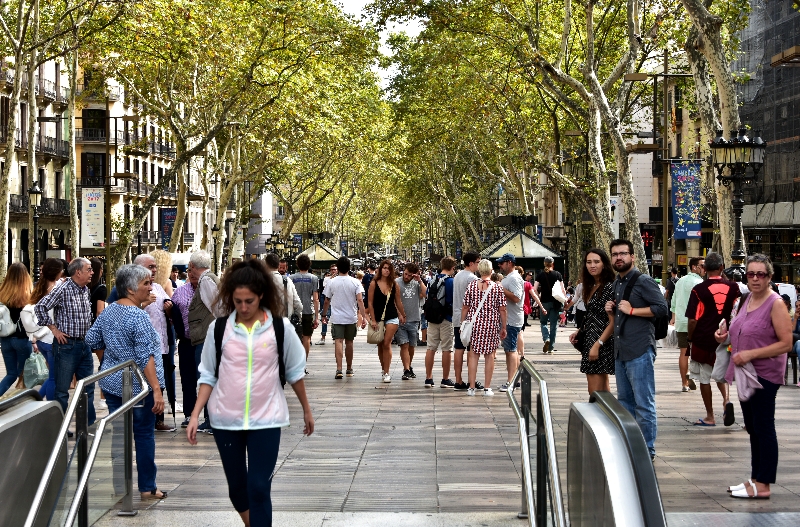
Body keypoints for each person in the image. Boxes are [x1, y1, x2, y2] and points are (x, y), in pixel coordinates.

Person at [187, 260, 313, 526]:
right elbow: (208, 374)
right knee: (237, 489)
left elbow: (294, 373)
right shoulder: (219, 329)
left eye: (250, 301)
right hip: (225, 419)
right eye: (238, 301)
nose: (243, 307)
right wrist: (196, 413)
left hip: (267, 418)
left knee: (258, 487)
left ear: (262, 297)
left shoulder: (280, 328)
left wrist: (306, 409)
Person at [85, 264, 168, 500]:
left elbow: (92, 339)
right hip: (140, 387)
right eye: (146, 283)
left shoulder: (109, 311)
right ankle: (147, 487)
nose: (150, 287)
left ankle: (120, 489)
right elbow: (145, 357)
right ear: (131, 289)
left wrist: (109, 358)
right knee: (143, 436)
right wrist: (156, 390)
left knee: (120, 435)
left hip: (113, 383)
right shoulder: (139, 317)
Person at [717, 254, 792, 499]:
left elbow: (786, 343)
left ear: (770, 277)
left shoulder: (776, 303)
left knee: (763, 427)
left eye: (761, 274)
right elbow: (738, 329)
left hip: (765, 375)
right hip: (746, 374)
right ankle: (755, 478)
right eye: (751, 274)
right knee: (753, 427)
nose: (756, 278)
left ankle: (764, 484)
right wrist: (724, 335)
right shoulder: (745, 299)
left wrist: (751, 354)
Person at [605, 239, 668, 460]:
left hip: (640, 350)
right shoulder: (617, 283)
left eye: (623, 254)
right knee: (625, 403)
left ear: (633, 256)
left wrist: (633, 310)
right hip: (621, 350)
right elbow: (619, 318)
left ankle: (647, 450)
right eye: (614, 254)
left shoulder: (644, 281)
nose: (618, 258)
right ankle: (631, 446)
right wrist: (612, 311)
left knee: (644, 403)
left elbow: (662, 309)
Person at [35, 257, 97, 425]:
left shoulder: (85, 289)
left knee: (88, 388)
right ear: (78, 272)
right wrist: (54, 329)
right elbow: (40, 307)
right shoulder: (63, 288)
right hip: (66, 346)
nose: (92, 272)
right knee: (62, 390)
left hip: (84, 344)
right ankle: (59, 427)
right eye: (89, 269)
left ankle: (88, 425)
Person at [685, 252, 739, 427]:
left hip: (703, 338)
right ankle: (726, 400)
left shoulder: (698, 290)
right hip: (726, 338)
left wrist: (690, 337)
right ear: (722, 267)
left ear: (704, 268)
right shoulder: (734, 288)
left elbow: (693, 319)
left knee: (705, 377)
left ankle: (710, 416)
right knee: (721, 373)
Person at [135, 254, 176, 432]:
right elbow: (126, 312)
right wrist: (143, 304)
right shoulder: (132, 289)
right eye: (150, 267)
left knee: (161, 382)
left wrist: (169, 308)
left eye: (155, 267)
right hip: (144, 347)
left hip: (163, 344)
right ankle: (144, 419)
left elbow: (168, 310)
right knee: (146, 383)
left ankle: (158, 420)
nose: (154, 270)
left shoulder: (158, 287)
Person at [569, 249, 616, 394]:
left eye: (596, 262)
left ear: (604, 264)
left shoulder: (609, 287)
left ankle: (601, 416)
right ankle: (607, 416)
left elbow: (613, 322)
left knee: (595, 392)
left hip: (602, 341)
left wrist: (598, 344)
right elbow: (592, 315)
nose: (592, 265)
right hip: (591, 339)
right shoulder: (590, 286)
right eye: (589, 262)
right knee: (601, 390)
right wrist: (580, 331)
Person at [187, 250, 222, 434]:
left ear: (193, 266)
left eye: (189, 267)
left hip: (207, 338)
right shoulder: (208, 279)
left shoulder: (206, 281)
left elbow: (217, 308)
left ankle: (212, 419)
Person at [461, 259, 507, 396]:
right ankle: (487, 388)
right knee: (489, 356)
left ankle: (472, 387)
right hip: (491, 324)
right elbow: (502, 309)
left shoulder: (472, 286)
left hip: (475, 324)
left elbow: (465, 306)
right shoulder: (497, 287)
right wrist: (503, 326)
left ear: (479, 270)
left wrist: (463, 323)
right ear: (491, 270)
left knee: (473, 355)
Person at [22, 258, 64, 400]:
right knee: (54, 377)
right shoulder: (56, 290)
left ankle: (37, 400)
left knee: (53, 375)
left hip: (41, 339)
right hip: (51, 338)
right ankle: (47, 405)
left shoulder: (39, 287)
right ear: (57, 272)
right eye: (61, 270)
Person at [321, 257, 367, 379]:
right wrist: (363, 317)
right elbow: (360, 300)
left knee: (338, 341)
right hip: (351, 317)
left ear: (338, 268)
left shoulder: (331, 282)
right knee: (350, 342)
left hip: (336, 317)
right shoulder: (355, 282)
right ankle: (349, 368)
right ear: (349, 267)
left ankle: (339, 369)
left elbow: (326, 300)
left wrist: (324, 314)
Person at [171, 267, 200, 428]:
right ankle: (190, 414)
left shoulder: (209, 290)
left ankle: (211, 417)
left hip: (205, 342)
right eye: (190, 270)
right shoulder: (180, 291)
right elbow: (171, 313)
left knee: (207, 378)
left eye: (196, 270)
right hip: (186, 341)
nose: (192, 273)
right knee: (188, 380)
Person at [670, 257, 705, 392]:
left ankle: (684, 383)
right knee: (697, 350)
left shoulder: (679, 282)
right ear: (694, 267)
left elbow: (673, 301)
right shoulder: (699, 283)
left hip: (681, 321)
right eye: (702, 265)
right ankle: (694, 375)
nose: (704, 268)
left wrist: (673, 318)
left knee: (683, 352)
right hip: (696, 322)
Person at [368, 259, 406, 383]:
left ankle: (387, 372)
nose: (386, 270)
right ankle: (384, 369)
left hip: (392, 316)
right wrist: (373, 319)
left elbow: (398, 301)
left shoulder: (394, 284)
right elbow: (370, 303)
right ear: (380, 269)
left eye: (388, 268)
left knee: (386, 343)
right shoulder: (374, 283)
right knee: (380, 344)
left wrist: (402, 314)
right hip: (378, 317)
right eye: (384, 268)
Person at [0, 263, 34, 396]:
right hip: (21, 340)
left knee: (12, 373)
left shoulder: (2, 294)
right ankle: (26, 403)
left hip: (5, 339)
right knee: (27, 374)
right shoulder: (28, 296)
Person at [424, 257, 456, 388]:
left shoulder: (432, 280)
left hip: (432, 318)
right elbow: (453, 300)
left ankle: (428, 378)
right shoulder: (451, 281)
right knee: (446, 349)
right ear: (452, 268)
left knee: (431, 347)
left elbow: (427, 295)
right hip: (446, 318)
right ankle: (445, 379)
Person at [452, 252, 481, 390]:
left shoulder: (457, 275)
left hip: (457, 316)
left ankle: (458, 380)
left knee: (458, 347)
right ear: (471, 263)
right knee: (471, 350)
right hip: (469, 318)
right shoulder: (472, 278)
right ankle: (471, 381)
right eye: (478, 262)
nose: (479, 264)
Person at [497, 254, 524, 393]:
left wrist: (500, 288)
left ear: (509, 263)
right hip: (511, 319)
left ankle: (511, 381)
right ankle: (514, 380)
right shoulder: (511, 277)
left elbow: (516, 298)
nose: (499, 266)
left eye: (501, 263)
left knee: (511, 351)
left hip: (512, 320)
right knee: (510, 350)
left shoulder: (513, 278)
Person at [396, 262, 426, 380]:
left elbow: (425, 293)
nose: (406, 277)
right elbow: (394, 300)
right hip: (401, 320)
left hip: (414, 319)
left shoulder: (416, 283)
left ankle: (408, 366)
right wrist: (399, 314)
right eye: (405, 274)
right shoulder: (397, 282)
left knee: (412, 346)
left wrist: (420, 280)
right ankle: (406, 369)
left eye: (409, 275)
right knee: (404, 344)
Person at [289, 254, 320, 364]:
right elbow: (316, 299)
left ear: (297, 264)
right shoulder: (314, 278)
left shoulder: (291, 278)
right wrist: (317, 316)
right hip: (308, 311)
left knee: (295, 338)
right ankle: (303, 363)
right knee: (307, 338)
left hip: (294, 312)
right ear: (309, 264)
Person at [534, 256, 563, 353]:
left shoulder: (540, 275)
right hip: (555, 302)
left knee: (543, 322)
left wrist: (538, 298)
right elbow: (562, 289)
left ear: (544, 264)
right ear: (553, 264)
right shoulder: (558, 274)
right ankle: (551, 347)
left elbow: (534, 289)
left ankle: (546, 338)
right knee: (554, 324)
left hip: (544, 302)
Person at [265, 253, 303, 320]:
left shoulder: (260, 281)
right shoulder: (287, 281)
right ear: (278, 265)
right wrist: (296, 318)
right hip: (285, 324)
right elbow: (298, 305)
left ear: (266, 265)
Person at [316, 264, 337, 346]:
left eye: (335, 269)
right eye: (332, 269)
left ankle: (335, 337)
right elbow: (326, 288)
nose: (333, 271)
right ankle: (323, 337)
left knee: (335, 321)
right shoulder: (326, 279)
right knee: (324, 319)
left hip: (335, 302)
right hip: (327, 302)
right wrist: (331, 279)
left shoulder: (339, 279)